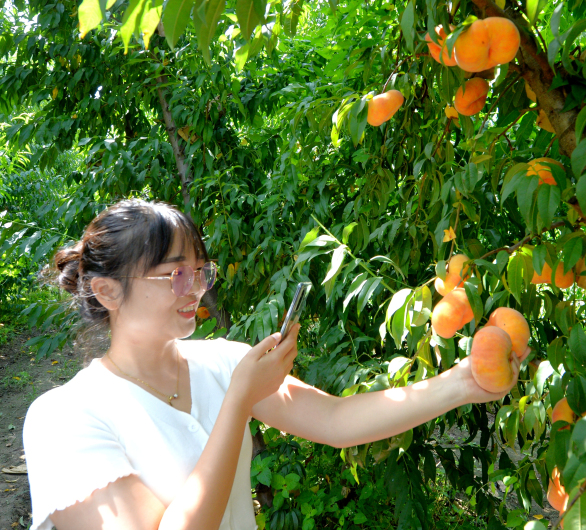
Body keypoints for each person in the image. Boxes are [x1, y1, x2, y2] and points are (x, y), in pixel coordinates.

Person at [22, 198, 520, 530]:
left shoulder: (222, 363)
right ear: (108, 291)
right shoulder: (65, 418)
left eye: (200, 270)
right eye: (175, 274)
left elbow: (336, 420)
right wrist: (239, 402)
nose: (196, 288)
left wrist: (463, 382)